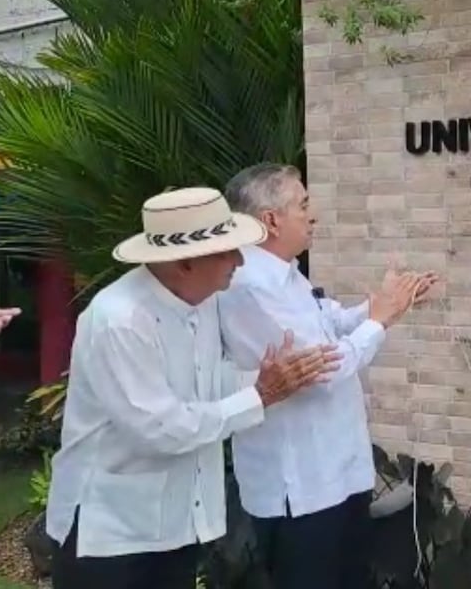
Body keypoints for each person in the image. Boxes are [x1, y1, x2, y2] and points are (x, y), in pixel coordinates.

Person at [45, 186, 343, 589]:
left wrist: (266, 381)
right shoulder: (120, 320)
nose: (239, 260)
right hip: (111, 536)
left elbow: (207, 383)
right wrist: (261, 395)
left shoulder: (202, 300)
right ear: (183, 261)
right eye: (226, 251)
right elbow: (160, 428)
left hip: (175, 526)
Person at [217, 163, 439, 589]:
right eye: (303, 205)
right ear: (270, 220)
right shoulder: (248, 286)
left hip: (339, 474)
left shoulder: (286, 275)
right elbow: (319, 368)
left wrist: (384, 304)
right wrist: (379, 320)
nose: (312, 215)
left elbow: (331, 321)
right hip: (301, 490)